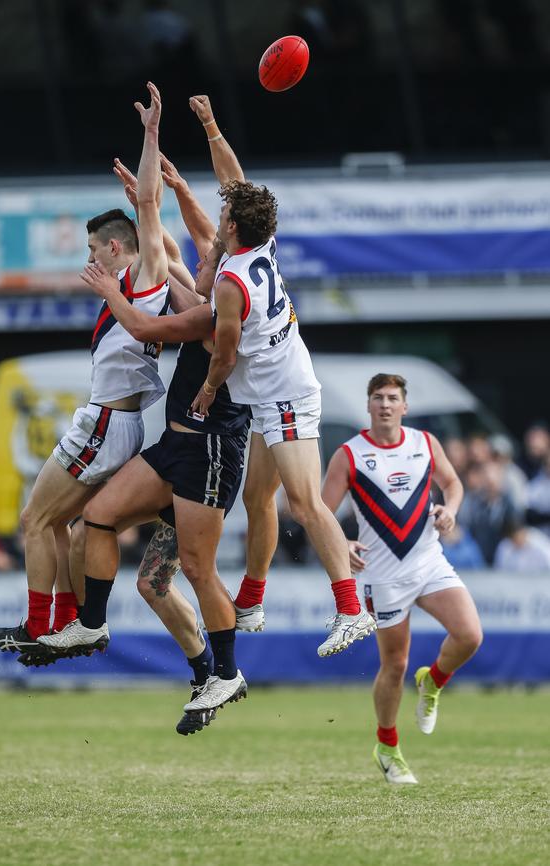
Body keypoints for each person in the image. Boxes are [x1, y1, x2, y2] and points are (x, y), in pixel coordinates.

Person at [36, 84, 250, 728]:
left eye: (218, 248)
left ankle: (226, 673)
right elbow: (189, 235)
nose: (206, 250)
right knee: (106, 531)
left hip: (210, 451)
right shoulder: (197, 279)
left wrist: (159, 155)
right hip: (171, 446)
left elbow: (155, 322)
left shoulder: (216, 310)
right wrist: (163, 188)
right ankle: (98, 631)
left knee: (191, 568)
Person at [0, 82, 174, 657]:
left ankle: (40, 624)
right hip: (117, 422)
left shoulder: (144, 276)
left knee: (34, 520)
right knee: (61, 525)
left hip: (106, 424)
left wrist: (150, 135)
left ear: (118, 249)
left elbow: (148, 204)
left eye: (95, 251)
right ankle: (66, 623)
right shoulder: (127, 287)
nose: (89, 262)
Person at [187, 94, 375, 657]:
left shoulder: (230, 280)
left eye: (224, 213)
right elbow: (235, 184)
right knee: (257, 497)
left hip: (287, 394)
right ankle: (252, 599)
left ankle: (350, 609)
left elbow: (221, 358)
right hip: (272, 393)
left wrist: (206, 392)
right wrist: (211, 125)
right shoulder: (257, 243)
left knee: (304, 503)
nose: (219, 211)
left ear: (235, 226)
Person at [322, 373, 483, 785]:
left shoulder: (425, 443)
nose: (385, 405)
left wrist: (452, 510)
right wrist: (342, 542)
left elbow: (452, 483)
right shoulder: (350, 454)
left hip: (429, 561)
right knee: (394, 665)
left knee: (470, 635)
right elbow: (319, 512)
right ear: (369, 405)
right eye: (378, 398)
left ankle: (433, 682)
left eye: (393, 398)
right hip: (383, 574)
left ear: (405, 407)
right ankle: (388, 746)